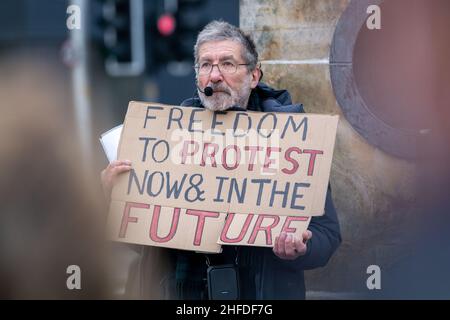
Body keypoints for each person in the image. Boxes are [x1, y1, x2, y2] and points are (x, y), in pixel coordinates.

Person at [101, 20, 341, 300]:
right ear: (197, 77)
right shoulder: (169, 138)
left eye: (227, 64)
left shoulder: (291, 139)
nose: (214, 76)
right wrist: (114, 199)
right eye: (205, 65)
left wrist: (301, 248)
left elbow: (327, 234)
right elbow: (143, 242)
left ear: (253, 76)